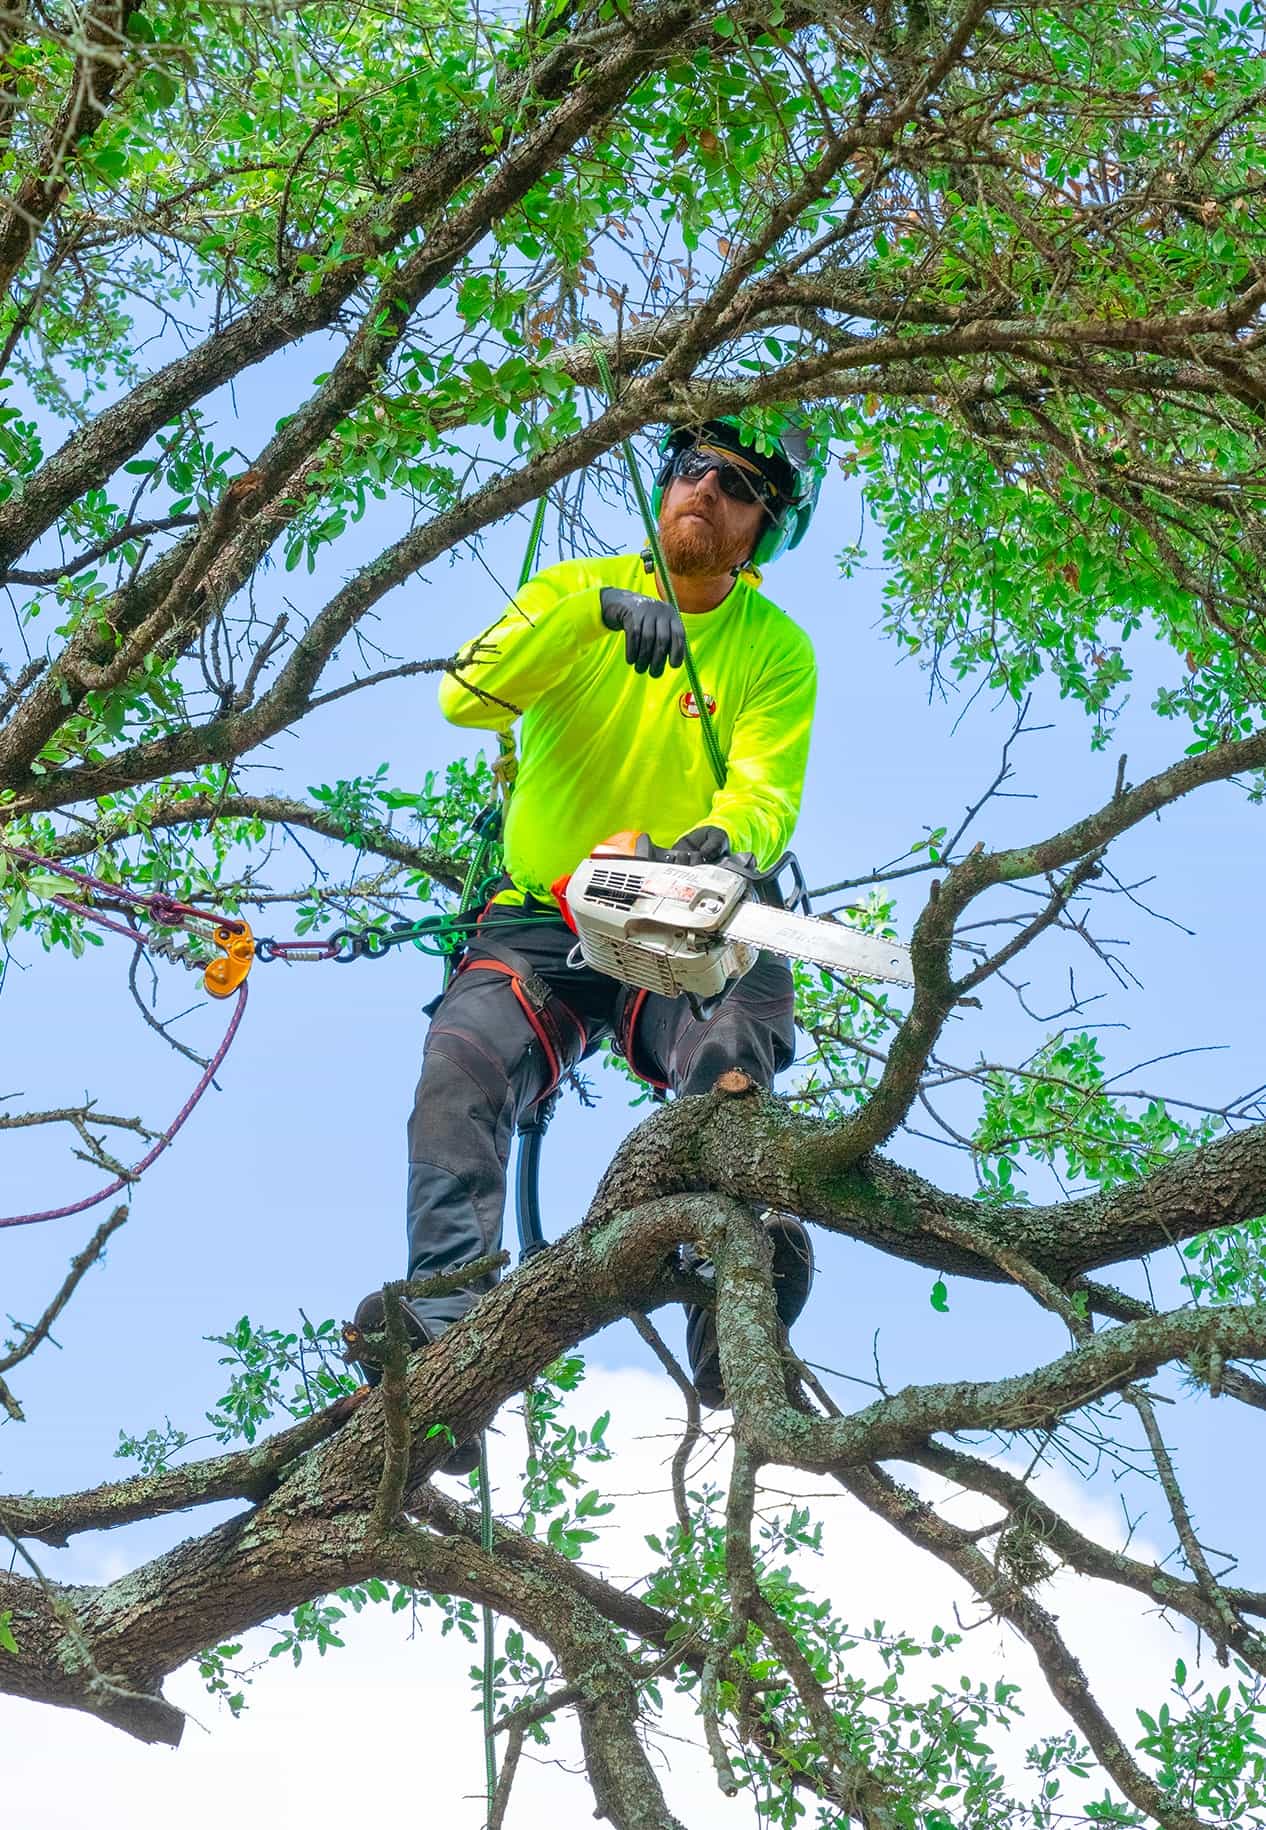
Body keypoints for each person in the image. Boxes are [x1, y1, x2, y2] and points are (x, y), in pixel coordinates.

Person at [352, 417, 823, 1472]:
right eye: (695, 466)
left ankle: (734, 1270)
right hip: (541, 921)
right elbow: (466, 695)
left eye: (739, 484)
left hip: (680, 904)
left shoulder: (774, 652)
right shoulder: (573, 588)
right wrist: (593, 617)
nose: (706, 487)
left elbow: (765, 790)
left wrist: (727, 842)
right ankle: (446, 1321)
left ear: (761, 530)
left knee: (732, 1048)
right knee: (461, 1067)